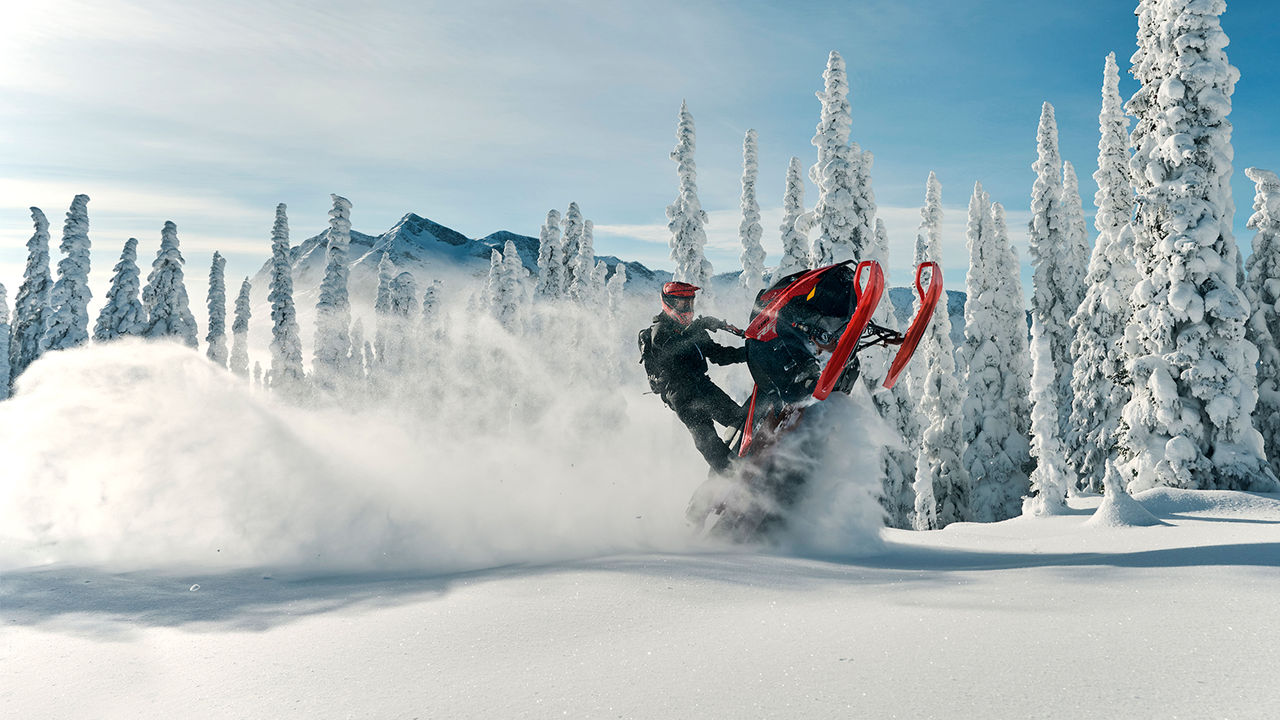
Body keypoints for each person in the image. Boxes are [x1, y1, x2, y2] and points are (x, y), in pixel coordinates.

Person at [637, 282, 747, 474]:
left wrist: (749, 352)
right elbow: (675, 349)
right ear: (669, 304)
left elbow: (718, 355)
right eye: (682, 304)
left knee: (738, 418)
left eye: (690, 303)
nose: (687, 309)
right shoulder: (659, 331)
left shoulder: (691, 330)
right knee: (707, 440)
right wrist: (699, 326)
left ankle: (756, 451)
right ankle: (732, 477)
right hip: (680, 394)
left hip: (702, 385)